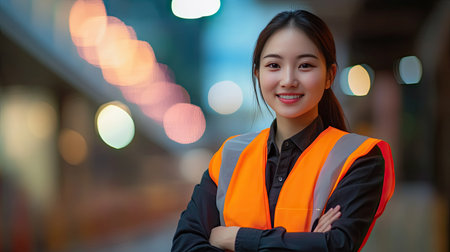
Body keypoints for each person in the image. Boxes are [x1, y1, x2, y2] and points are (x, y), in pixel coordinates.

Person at [172, 9, 395, 252]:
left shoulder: (359, 158)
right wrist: (306, 243)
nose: (288, 79)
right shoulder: (229, 156)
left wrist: (234, 238)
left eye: (305, 65)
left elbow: (336, 246)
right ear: (257, 73)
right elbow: (185, 245)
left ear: (330, 75)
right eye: (274, 65)